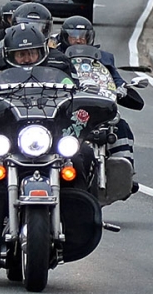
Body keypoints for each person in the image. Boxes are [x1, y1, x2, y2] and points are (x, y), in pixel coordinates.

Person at [0, 24, 77, 204]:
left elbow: (77, 93)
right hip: (5, 135)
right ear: (10, 55)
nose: (27, 59)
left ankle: (83, 216)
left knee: (82, 155)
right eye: (21, 54)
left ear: (42, 52)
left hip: (52, 136)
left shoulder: (59, 65)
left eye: (32, 53)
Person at [57, 16, 138, 195]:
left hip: (97, 106)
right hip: (71, 108)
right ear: (64, 37)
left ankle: (126, 175)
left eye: (82, 35)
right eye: (73, 35)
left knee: (121, 126)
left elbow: (115, 78)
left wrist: (122, 87)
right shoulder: (58, 58)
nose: (78, 39)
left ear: (90, 37)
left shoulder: (104, 58)